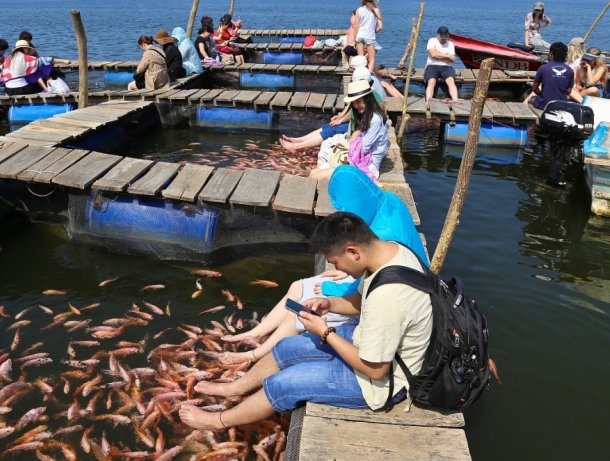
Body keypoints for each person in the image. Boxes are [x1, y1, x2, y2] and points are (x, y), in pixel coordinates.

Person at [178, 211, 433, 430]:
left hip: (385, 382)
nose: (338, 270)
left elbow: (375, 369)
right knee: (285, 347)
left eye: (335, 262)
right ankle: (235, 388)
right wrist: (330, 304)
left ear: (353, 251)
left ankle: (218, 421)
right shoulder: (392, 252)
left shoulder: (388, 298)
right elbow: (361, 300)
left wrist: (326, 333)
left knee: (284, 384)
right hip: (371, 345)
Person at [216, 166, 429, 364]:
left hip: (392, 290)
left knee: (299, 314)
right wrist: (346, 271)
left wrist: (331, 289)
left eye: (345, 208)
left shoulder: (383, 234)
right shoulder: (387, 201)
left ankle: (255, 354)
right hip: (379, 272)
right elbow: (368, 267)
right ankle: (257, 332)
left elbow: (369, 288)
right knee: (297, 287)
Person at [309, 80, 388, 182]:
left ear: (368, 99)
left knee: (315, 177)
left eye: (358, 101)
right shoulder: (367, 115)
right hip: (357, 157)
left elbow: (364, 148)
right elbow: (359, 134)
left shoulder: (375, 119)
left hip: (366, 165)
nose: (356, 106)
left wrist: (344, 155)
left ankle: (322, 196)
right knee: (313, 172)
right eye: (354, 103)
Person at [2, 40, 70, 96]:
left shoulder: (7, 58)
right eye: (27, 48)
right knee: (39, 84)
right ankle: (47, 89)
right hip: (21, 89)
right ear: (24, 48)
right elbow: (45, 60)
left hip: (8, 90)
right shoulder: (25, 58)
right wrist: (63, 61)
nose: (28, 50)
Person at [530, 41, 583, 109]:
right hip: (561, 105)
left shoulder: (543, 68)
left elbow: (534, 88)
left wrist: (542, 94)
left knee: (531, 98)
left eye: (549, 53)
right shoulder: (570, 70)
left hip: (544, 104)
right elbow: (569, 91)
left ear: (551, 54)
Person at [424, 26, 459, 102]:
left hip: (446, 66)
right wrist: (447, 56)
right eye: (442, 37)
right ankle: (428, 101)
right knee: (431, 81)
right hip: (432, 65)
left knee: (451, 81)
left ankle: (455, 100)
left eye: (445, 38)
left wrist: (438, 54)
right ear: (437, 35)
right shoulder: (432, 41)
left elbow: (452, 60)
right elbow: (433, 54)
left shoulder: (451, 44)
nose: (443, 40)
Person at [354, 0, 383, 73]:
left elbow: (356, 27)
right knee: (372, 58)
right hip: (369, 37)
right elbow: (380, 27)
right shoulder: (376, 10)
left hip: (359, 36)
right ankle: (369, 76)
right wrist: (374, 31)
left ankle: (360, 73)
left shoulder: (358, 10)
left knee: (361, 58)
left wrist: (355, 39)